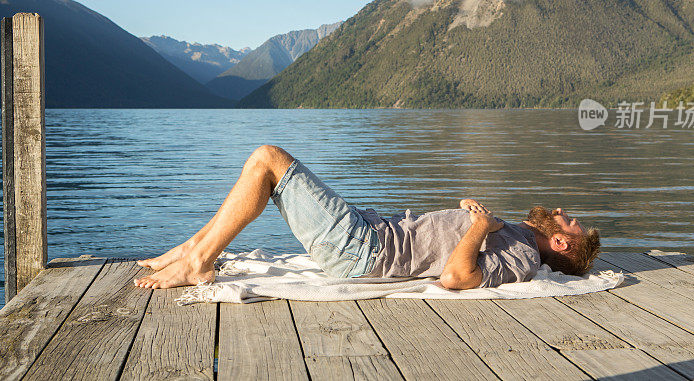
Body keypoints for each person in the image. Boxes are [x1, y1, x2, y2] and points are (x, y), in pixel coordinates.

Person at [134, 146, 601, 289]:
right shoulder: (517, 233)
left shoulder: (523, 260)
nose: (561, 212)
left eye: (569, 221)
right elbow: (456, 238)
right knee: (267, 167)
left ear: (560, 244)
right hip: (369, 230)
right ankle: (194, 249)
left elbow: (458, 276)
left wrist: (479, 225)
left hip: (365, 249)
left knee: (268, 160)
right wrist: (471, 213)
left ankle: (198, 260)